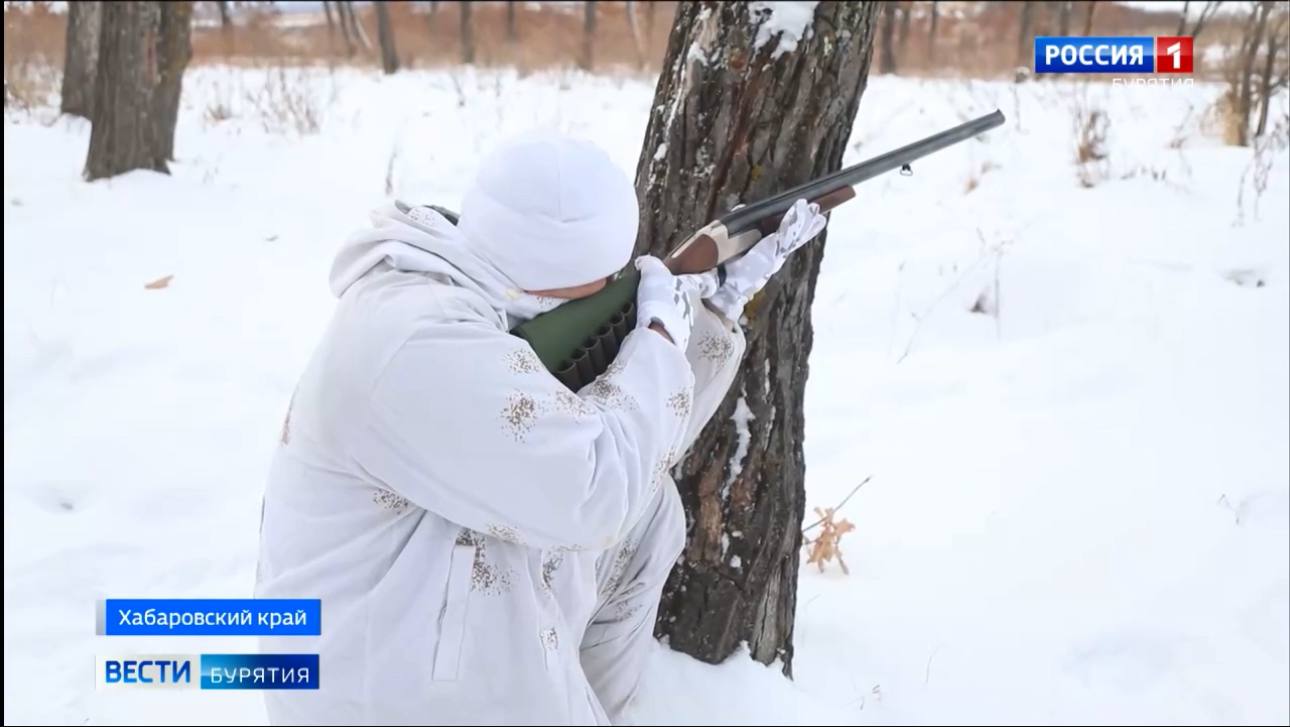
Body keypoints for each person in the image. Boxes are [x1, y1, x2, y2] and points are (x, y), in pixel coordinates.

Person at [253, 133, 827, 725]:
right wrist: (654, 338)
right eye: (603, 281)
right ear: (549, 273)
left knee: (651, 518)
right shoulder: (418, 343)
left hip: (435, 619)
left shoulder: (491, 302)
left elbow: (637, 459)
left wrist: (708, 315)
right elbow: (595, 494)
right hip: (378, 685)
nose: (614, 290)